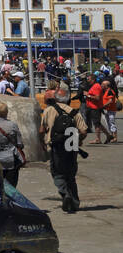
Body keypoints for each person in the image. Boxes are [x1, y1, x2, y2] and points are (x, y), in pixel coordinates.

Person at [41, 83, 88, 213]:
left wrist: (42, 143)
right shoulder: (74, 113)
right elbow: (83, 131)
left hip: (55, 146)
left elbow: (41, 130)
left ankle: (65, 193)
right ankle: (75, 202)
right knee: (70, 175)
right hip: (71, 147)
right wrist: (78, 141)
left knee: (57, 173)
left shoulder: (49, 110)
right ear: (68, 99)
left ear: (56, 98)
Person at [0, 101, 24, 188]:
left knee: (0, 185)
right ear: (7, 112)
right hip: (12, 158)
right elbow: (19, 143)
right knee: (12, 185)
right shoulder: (13, 125)